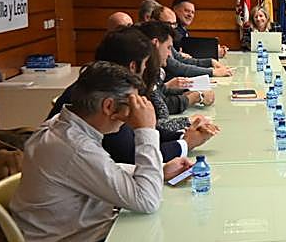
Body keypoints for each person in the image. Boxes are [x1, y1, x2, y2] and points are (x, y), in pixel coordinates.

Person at [13, 61, 190, 242]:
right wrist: (146, 129)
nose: (132, 116)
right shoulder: (75, 148)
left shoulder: (62, 127)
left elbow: (99, 170)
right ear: (108, 106)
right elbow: (147, 201)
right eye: (133, 107)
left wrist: (159, 168)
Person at [48, 27, 215, 163]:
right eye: (145, 65)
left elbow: (141, 132)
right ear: (133, 67)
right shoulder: (106, 96)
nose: (146, 71)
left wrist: (184, 134)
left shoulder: (96, 84)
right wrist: (186, 143)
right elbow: (132, 156)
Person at [154, 6, 231, 78]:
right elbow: (178, 67)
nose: (171, 28)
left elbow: (181, 59)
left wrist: (210, 62)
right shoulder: (155, 42)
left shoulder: (166, 39)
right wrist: (213, 72)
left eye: (174, 24)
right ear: (154, 22)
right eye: (168, 24)